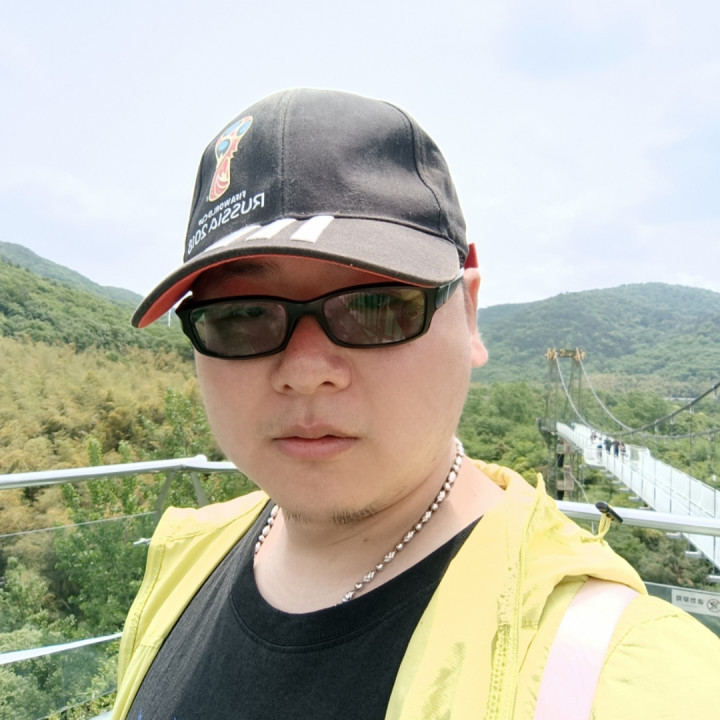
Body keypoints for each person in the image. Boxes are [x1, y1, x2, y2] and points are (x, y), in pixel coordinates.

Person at [113, 89, 720, 719]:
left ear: (469, 311)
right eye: (241, 317)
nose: (306, 372)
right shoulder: (182, 562)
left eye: (376, 306)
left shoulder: (620, 672)